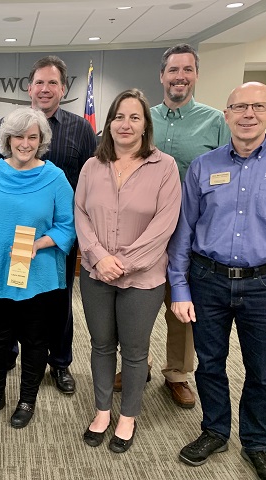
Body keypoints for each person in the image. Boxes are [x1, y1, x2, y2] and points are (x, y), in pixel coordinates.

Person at [168, 82, 266, 480]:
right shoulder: (203, 166)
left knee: (262, 372)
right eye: (239, 107)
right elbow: (184, 231)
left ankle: (257, 443)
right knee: (210, 364)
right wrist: (179, 287)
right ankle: (215, 430)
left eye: (258, 106)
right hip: (207, 280)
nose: (248, 114)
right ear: (227, 115)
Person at [113, 44, 231, 408]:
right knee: (135, 301)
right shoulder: (142, 118)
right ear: (161, 76)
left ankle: (177, 374)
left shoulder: (215, 122)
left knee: (181, 306)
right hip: (140, 233)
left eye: (188, 70)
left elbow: (227, 174)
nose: (180, 76)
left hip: (189, 234)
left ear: (196, 75)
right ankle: (138, 362)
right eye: (173, 70)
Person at [75, 89, 181, 452]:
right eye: (119, 117)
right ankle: (102, 411)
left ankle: (127, 417)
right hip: (96, 274)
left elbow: (165, 225)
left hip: (144, 278)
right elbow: (81, 215)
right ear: (109, 123)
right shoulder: (92, 166)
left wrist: (125, 263)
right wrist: (98, 256)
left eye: (134, 117)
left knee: (135, 352)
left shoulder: (164, 166)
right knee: (101, 345)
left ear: (145, 125)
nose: (125, 124)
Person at [0, 55, 96, 394]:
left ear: (63, 89)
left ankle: (60, 362)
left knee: (57, 301)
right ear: (29, 87)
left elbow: (91, 182)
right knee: (12, 295)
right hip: (14, 236)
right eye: (39, 82)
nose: (45, 89)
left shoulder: (81, 129)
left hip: (59, 235)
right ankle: (7, 354)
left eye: (52, 83)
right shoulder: (5, 125)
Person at [0, 107, 76, 428]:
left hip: (37, 274)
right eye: (18, 136)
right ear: (7, 139)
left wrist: (37, 244)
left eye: (32, 137)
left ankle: (27, 399)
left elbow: (68, 227)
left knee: (34, 340)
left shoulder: (54, 177)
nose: (25, 143)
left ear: (41, 140)